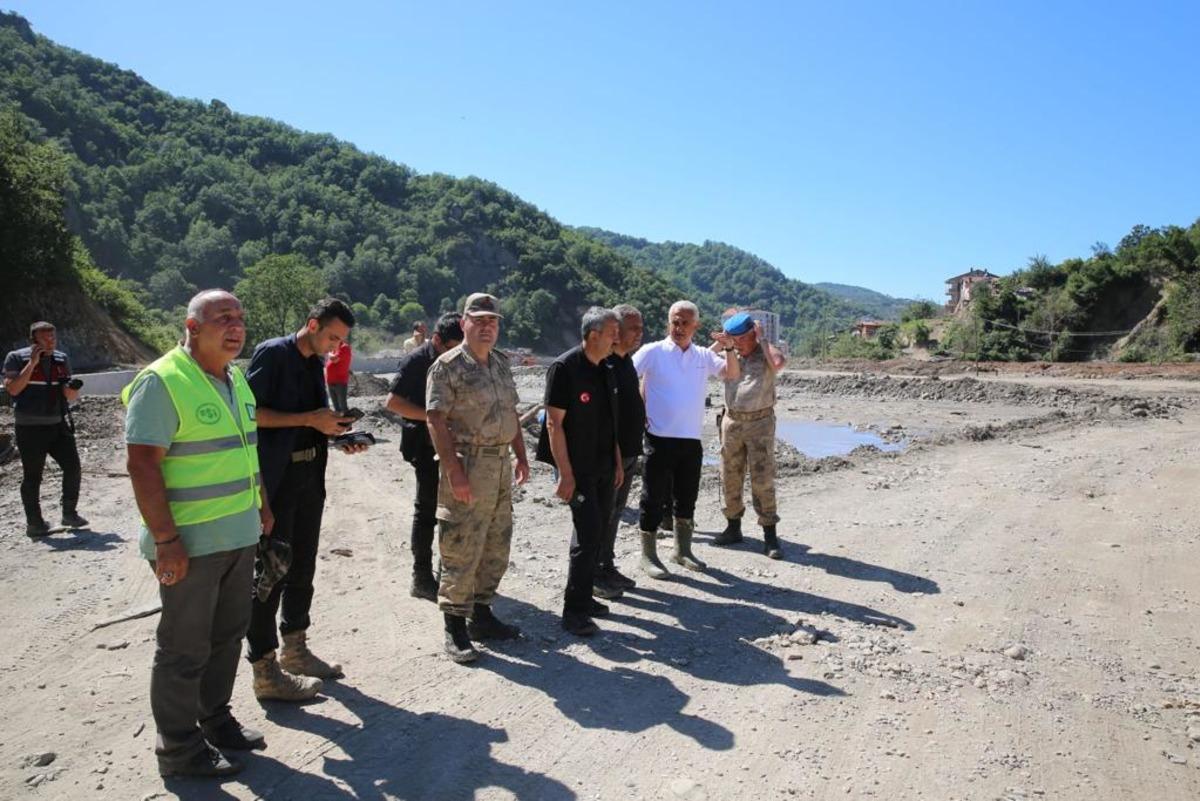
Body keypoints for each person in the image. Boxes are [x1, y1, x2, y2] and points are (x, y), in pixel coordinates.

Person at [123, 290, 272, 778]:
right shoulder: (162, 381)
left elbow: (247, 450)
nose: (235, 326)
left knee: (227, 636)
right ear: (192, 327)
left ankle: (215, 719)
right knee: (184, 647)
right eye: (222, 318)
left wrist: (262, 506)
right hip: (189, 544)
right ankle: (179, 749)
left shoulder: (236, 378)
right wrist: (166, 541)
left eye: (239, 318)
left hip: (238, 534)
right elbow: (142, 465)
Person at [244, 298, 369, 701]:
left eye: (342, 340)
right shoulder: (273, 354)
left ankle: (294, 649)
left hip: (308, 477)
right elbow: (250, 415)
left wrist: (337, 434)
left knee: (302, 566)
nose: (336, 347)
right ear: (312, 325)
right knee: (270, 573)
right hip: (275, 483)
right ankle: (264, 670)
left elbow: (314, 419)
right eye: (332, 336)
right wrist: (309, 420)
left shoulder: (315, 362)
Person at [426, 293, 530, 663]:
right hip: (467, 462)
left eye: (493, 321)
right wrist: (454, 471)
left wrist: (520, 454)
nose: (487, 327)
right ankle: (454, 626)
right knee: (461, 543)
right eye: (479, 320)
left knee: (496, 542)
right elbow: (435, 419)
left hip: (500, 464)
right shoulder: (447, 366)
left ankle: (482, 614)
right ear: (464, 323)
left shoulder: (500, 365)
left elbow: (511, 412)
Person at [633, 301, 738, 579]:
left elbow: (731, 373)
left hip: (690, 440)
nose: (678, 328)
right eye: (674, 322)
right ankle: (648, 555)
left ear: (696, 326)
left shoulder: (703, 356)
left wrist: (729, 347)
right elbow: (626, 376)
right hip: (658, 438)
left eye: (684, 323)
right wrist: (637, 410)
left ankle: (682, 550)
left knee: (686, 497)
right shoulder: (652, 352)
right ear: (669, 322)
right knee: (652, 497)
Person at [535, 307, 623, 636]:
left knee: (598, 533)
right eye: (613, 331)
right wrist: (565, 474)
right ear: (594, 334)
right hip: (578, 468)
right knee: (587, 537)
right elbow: (554, 425)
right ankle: (574, 612)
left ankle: (585, 597)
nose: (618, 336)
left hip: (603, 465)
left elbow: (610, 421)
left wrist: (616, 460)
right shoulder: (565, 368)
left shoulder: (607, 367)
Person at [384, 312, 464, 601]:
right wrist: (433, 419)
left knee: (455, 509)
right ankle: (421, 575)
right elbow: (392, 402)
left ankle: (449, 570)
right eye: (453, 346)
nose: (457, 353)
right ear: (437, 340)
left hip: (455, 444)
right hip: (423, 444)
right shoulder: (417, 361)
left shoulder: (463, 359)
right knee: (427, 509)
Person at [711, 313, 788, 559]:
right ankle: (733, 527)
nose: (741, 342)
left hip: (760, 422)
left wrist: (763, 339)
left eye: (744, 337)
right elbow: (700, 359)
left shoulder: (764, 351)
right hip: (732, 421)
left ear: (754, 333)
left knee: (762, 478)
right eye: (736, 338)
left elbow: (777, 363)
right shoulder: (729, 354)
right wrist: (723, 343)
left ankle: (770, 535)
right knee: (729, 475)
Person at [3, 321, 87, 537]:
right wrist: (32, 363)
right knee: (33, 476)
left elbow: (69, 396)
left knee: (73, 467)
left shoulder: (61, 359)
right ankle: (35, 524)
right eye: (45, 338)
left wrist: (71, 389)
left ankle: (69, 513)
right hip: (29, 427)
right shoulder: (16, 357)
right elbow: (13, 389)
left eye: (53, 338)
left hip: (57, 424)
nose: (51, 342)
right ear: (34, 340)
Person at [593, 303, 645, 599]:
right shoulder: (606, 362)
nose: (640, 334)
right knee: (602, 514)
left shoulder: (627, 361)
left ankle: (606, 564)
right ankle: (594, 573)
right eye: (633, 328)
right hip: (609, 455)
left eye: (641, 328)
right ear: (616, 331)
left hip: (628, 451)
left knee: (615, 513)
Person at [324, 338, 352, 414]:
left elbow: (334, 359)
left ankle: (348, 425)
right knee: (336, 407)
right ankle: (339, 425)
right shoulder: (334, 349)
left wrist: (327, 352)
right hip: (330, 382)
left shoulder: (344, 347)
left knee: (343, 406)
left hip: (340, 382)